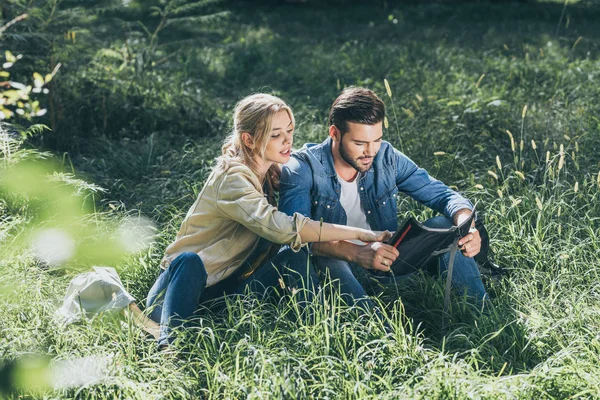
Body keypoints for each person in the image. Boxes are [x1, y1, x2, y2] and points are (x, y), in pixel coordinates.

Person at [145, 93, 389, 347]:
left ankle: (321, 335)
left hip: (221, 297)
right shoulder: (232, 180)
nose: (287, 140)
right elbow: (282, 228)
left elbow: (305, 217)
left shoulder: (268, 174)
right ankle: (169, 347)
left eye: (290, 130)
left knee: (293, 254)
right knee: (189, 261)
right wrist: (360, 234)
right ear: (249, 140)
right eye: (275, 135)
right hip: (173, 299)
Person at [279, 87, 488, 312]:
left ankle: (484, 314)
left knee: (447, 225)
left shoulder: (386, 157)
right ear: (335, 133)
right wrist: (357, 253)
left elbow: (444, 195)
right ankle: (381, 335)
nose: (370, 151)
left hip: (390, 263)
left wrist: (467, 226)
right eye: (359, 143)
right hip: (343, 270)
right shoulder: (301, 168)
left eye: (377, 140)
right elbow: (294, 238)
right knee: (328, 261)